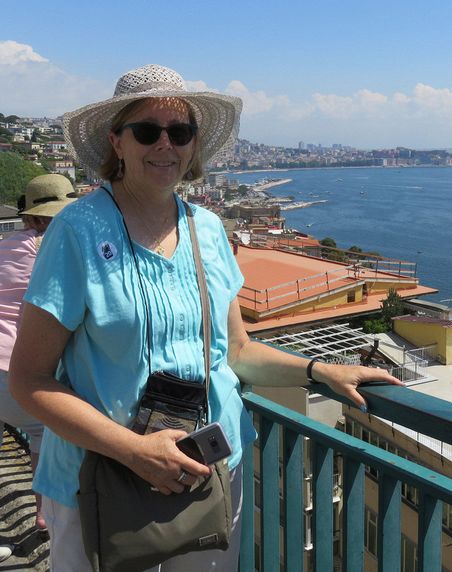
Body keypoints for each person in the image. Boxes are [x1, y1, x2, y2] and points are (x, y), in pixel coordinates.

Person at [8, 64, 402, 571]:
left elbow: (235, 352)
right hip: (101, 480)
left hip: (206, 472)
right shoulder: (77, 231)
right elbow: (29, 380)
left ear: (194, 144)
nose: (165, 145)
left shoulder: (209, 229)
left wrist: (319, 370)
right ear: (117, 143)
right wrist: (134, 449)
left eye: (180, 132)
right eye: (147, 131)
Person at [0, 174, 76, 542]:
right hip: (14, 367)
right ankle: (50, 516)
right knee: (51, 431)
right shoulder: (48, 246)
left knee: (36, 430)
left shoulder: (5, 244)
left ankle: (43, 516)